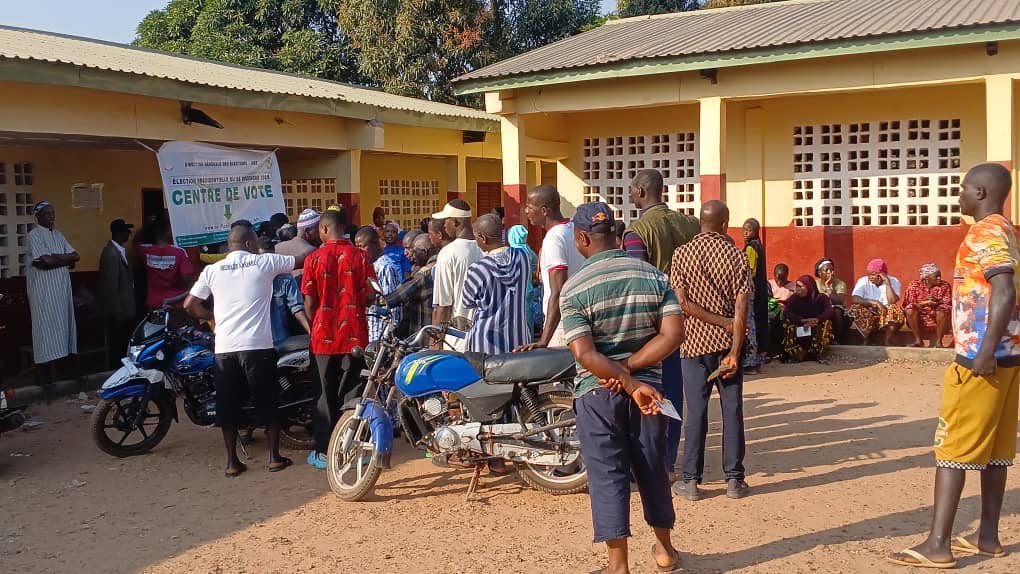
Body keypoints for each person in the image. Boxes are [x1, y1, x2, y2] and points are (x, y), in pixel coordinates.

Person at [887, 163, 1020, 568]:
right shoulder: (1009, 230)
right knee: (995, 453)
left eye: (963, 188)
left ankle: (938, 545)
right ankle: (987, 537)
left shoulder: (984, 232)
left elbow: (1004, 290)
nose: (958, 194)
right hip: (1009, 357)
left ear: (980, 192)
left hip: (981, 359)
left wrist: (984, 351)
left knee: (952, 451)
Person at [560, 202, 683, 574]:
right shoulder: (655, 277)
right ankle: (665, 550)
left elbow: (584, 353)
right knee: (653, 469)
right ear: (614, 232)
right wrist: (632, 373)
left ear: (582, 238)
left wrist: (621, 375)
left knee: (607, 475)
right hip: (650, 392)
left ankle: (618, 565)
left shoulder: (574, 288)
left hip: (597, 393)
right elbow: (673, 335)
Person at [183, 221, 296, 477]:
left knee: (228, 406)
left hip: (225, 348)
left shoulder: (212, 270)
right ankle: (274, 458)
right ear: (249, 243)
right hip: (257, 346)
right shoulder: (264, 262)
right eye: (255, 241)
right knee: (267, 402)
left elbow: (190, 304)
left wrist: (211, 317)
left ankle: (232, 463)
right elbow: (301, 259)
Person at [620, 169, 700, 481]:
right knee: (675, 393)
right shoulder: (690, 224)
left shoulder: (637, 232)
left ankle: (650, 464)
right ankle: (667, 461)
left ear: (640, 191)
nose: (630, 195)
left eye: (631, 190)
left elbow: (638, 280)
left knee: (647, 391)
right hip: (688, 321)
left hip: (651, 326)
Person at [670, 200, 752, 501]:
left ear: (699, 223)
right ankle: (734, 480)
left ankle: (691, 481)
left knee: (696, 412)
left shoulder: (681, 255)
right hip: (728, 347)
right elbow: (742, 308)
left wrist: (717, 321)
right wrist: (734, 347)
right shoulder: (737, 256)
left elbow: (682, 303)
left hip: (693, 345)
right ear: (725, 223)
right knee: (732, 410)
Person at [301, 209, 374, 470]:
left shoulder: (313, 259)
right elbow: (371, 296)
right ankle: (355, 447)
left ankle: (324, 450)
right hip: (355, 334)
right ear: (343, 228)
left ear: (323, 229)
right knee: (354, 391)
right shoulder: (362, 257)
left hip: (322, 336)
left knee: (323, 393)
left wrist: (317, 323)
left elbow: (309, 302)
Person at [515, 185, 584, 351]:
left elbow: (558, 290)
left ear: (544, 210)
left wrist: (544, 340)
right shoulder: (574, 229)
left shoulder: (554, 238)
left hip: (562, 324)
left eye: (530, 207)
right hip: (580, 317)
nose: (526, 211)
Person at [459, 214, 532, 354]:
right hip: (520, 340)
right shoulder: (523, 257)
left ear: (482, 238)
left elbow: (467, 302)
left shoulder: (477, 269)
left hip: (486, 344)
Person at [26, 201, 79, 381]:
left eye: (53, 213)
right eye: (47, 213)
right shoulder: (34, 235)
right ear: (38, 216)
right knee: (46, 329)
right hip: (43, 292)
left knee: (64, 327)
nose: (52, 216)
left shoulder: (58, 234)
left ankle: (66, 371)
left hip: (62, 290)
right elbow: (45, 262)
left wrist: (55, 257)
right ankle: (44, 374)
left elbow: (76, 256)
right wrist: (64, 260)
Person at [431, 200, 482, 350]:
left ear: (454, 222)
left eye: (445, 221)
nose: (444, 225)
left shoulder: (448, 253)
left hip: (457, 340)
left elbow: (443, 305)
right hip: (485, 338)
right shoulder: (485, 248)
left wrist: (436, 342)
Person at [97, 219, 136, 369]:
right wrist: (117, 312)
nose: (129, 234)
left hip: (125, 309)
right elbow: (110, 286)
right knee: (118, 345)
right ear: (120, 233)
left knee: (124, 343)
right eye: (127, 231)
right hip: (119, 311)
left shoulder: (120, 251)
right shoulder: (111, 254)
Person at [355, 227, 402, 343]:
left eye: (362, 246)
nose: (359, 251)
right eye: (357, 247)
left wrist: (387, 335)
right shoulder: (369, 265)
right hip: (370, 333)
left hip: (381, 336)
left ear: (375, 244)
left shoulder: (384, 267)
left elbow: (391, 304)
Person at [385, 234, 437, 338]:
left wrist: (379, 301)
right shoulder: (438, 265)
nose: (408, 253)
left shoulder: (424, 274)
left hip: (421, 335)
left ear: (424, 252)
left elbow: (396, 297)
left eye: (414, 251)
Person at [137, 221, 194, 309]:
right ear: (167, 233)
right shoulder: (179, 252)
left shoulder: (145, 250)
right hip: (175, 302)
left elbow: (136, 240)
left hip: (154, 302)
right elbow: (187, 278)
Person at [850, 259, 904, 346]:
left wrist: (887, 283)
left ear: (882, 275)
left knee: (895, 309)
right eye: (868, 274)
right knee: (855, 309)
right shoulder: (863, 281)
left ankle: (887, 340)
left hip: (885, 313)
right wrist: (875, 303)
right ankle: (866, 338)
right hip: (869, 311)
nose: (870, 277)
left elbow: (892, 301)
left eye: (873, 274)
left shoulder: (893, 281)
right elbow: (855, 299)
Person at [781, 275, 834, 363]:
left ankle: (816, 353)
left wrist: (817, 320)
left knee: (826, 324)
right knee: (787, 323)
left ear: (809, 287)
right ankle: (798, 354)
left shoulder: (821, 298)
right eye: (797, 286)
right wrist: (802, 321)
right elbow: (787, 312)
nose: (797, 289)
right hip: (799, 326)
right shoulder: (794, 298)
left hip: (816, 327)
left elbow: (829, 311)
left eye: (800, 286)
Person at [740, 219, 769, 374]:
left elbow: (749, 271)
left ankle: (750, 363)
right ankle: (758, 362)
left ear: (756, 231)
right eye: (744, 230)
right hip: (760, 291)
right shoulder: (759, 246)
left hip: (752, 292)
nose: (745, 233)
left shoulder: (751, 248)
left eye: (749, 230)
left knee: (750, 326)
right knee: (759, 323)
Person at [903, 263, 953, 348]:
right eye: (936, 276)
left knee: (944, 309)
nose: (939, 278)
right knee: (910, 309)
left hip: (938, 316)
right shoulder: (914, 285)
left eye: (940, 276)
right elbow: (908, 302)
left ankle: (939, 342)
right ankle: (918, 340)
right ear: (927, 278)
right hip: (919, 317)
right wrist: (924, 302)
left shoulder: (945, 285)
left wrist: (937, 302)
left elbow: (948, 302)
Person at [508, 224, 541, 335]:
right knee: (528, 314)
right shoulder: (528, 250)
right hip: (529, 288)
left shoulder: (512, 252)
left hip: (515, 291)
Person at [275, 208, 321, 277]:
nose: (321, 235)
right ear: (307, 231)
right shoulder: (312, 252)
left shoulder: (277, 247)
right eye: (318, 232)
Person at [815, 258, 849, 342]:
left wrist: (828, 286)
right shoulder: (815, 284)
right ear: (819, 273)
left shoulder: (840, 284)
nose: (830, 272)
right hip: (819, 310)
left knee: (837, 311)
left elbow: (838, 302)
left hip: (836, 312)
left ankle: (837, 340)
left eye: (832, 270)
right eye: (826, 270)